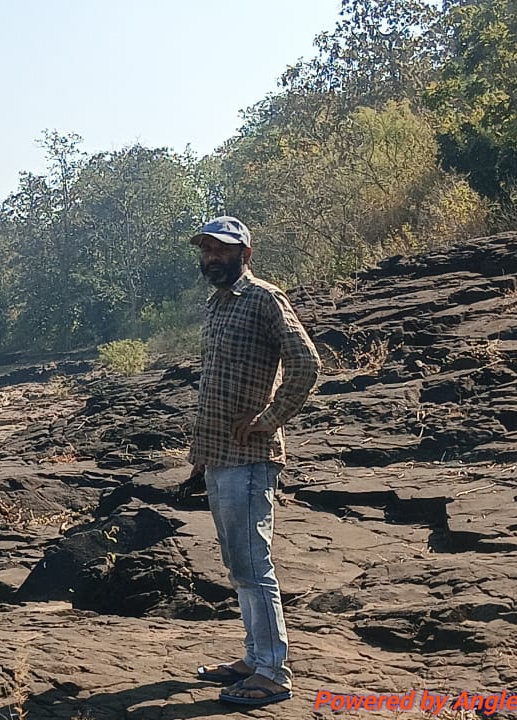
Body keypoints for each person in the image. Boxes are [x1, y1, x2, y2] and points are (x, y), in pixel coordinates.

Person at [187, 216, 320, 707]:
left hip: (250, 455)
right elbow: (215, 384)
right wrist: (198, 458)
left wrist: (271, 417)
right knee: (237, 563)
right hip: (218, 455)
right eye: (206, 250)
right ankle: (253, 658)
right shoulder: (216, 305)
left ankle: (273, 673)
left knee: (253, 563)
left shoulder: (265, 298)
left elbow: (306, 363)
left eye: (221, 250)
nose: (212, 258)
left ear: (245, 254)